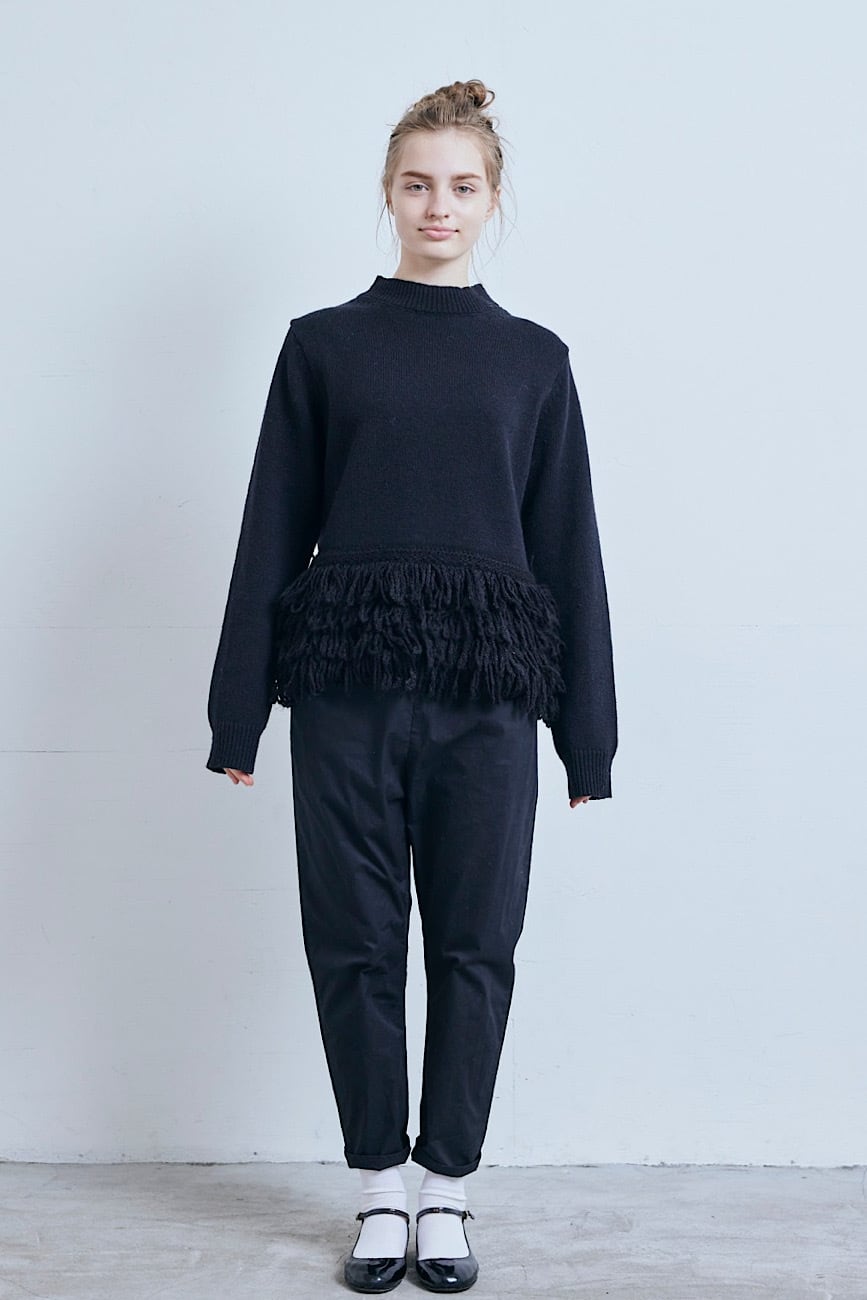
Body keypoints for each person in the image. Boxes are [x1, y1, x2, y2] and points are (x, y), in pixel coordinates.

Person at [205, 78, 618, 1294]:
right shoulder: (322, 347)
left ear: (493, 200)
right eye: (418, 184)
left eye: (463, 186)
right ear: (387, 194)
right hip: (346, 692)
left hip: (488, 700)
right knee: (354, 941)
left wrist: (586, 736)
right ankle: (379, 1186)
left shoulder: (533, 360)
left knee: (478, 944)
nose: (440, 205)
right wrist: (239, 714)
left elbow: (570, 550)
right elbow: (270, 528)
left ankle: (448, 1190)